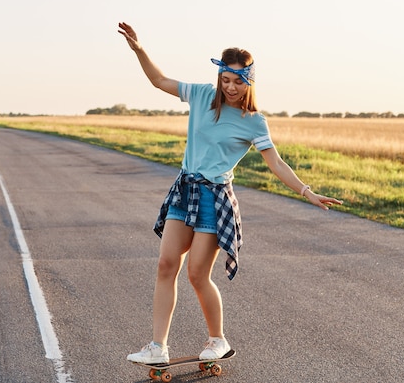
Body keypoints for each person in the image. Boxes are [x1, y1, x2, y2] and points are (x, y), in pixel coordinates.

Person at [118, 22, 343, 364]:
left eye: (238, 81)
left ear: (249, 81)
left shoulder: (253, 121)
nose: (231, 87)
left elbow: (277, 163)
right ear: (219, 76)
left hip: (213, 198)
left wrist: (306, 191)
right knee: (166, 265)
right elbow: (160, 81)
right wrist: (139, 51)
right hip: (184, 190)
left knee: (196, 274)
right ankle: (158, 347)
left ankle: (217, 339)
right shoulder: (201, 95)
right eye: (226, 79)